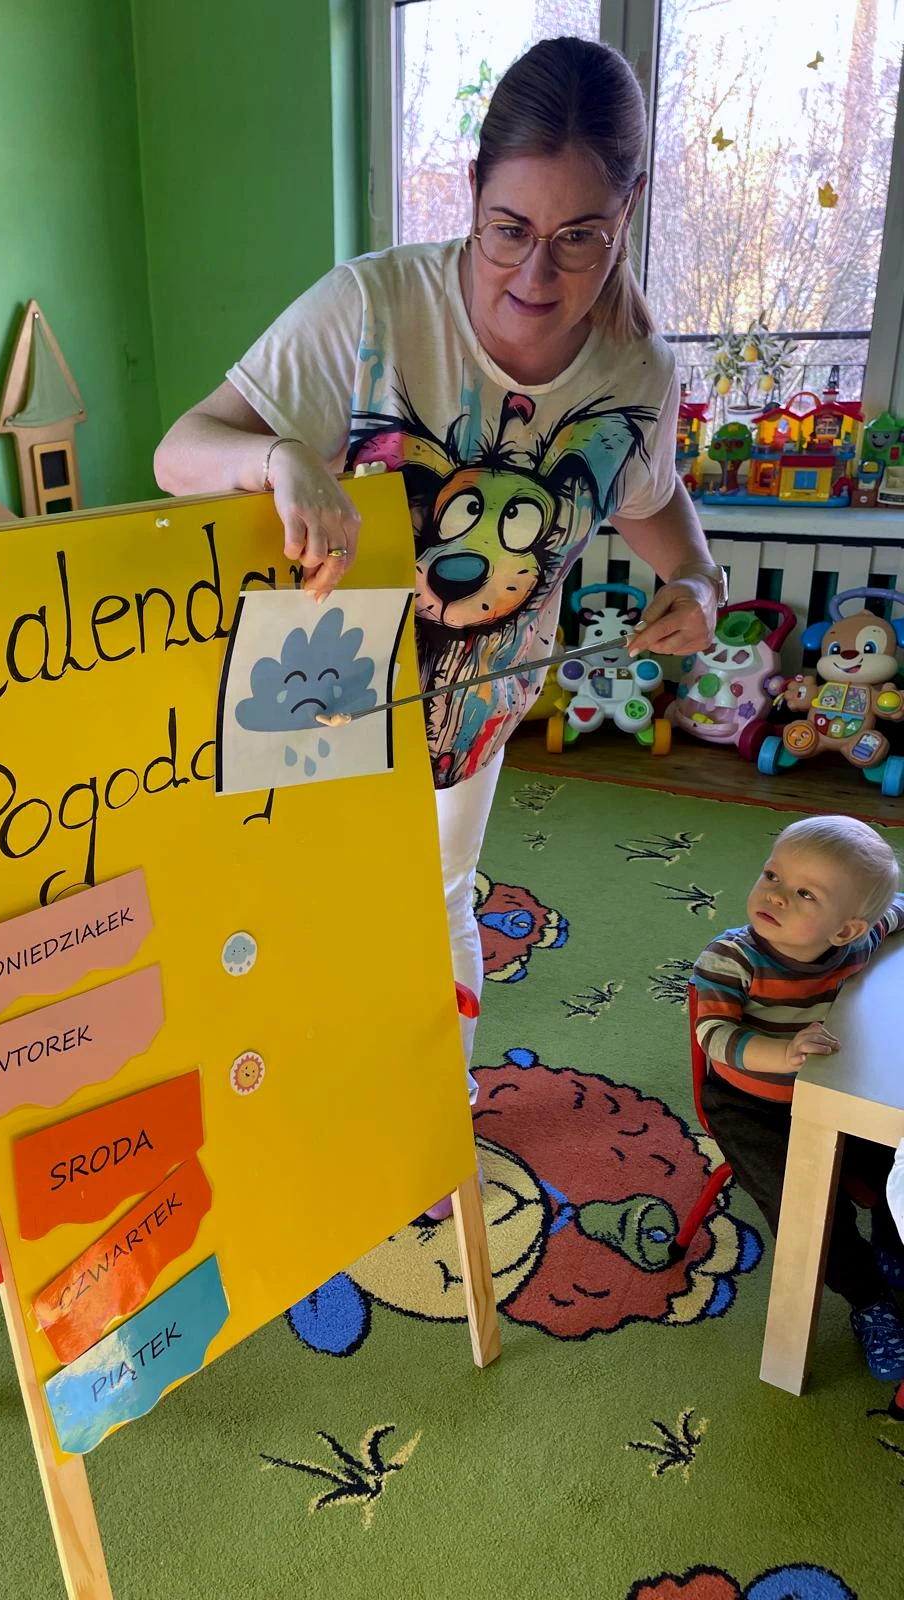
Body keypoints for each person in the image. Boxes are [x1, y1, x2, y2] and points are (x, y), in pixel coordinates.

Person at [154, 37, 722, 1214]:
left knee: (439, 899)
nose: (535, 275)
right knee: (295, 910)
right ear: (471, 192)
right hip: (313, 684)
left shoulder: (636, 371)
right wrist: (277, 455)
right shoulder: (370, 307)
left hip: (471, 705)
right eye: (509, 228)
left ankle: (423, 1121)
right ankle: (289, 1110)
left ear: (629, 211)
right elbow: (180, 450)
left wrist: (701, 582)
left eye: (579, 238)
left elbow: (653, 498)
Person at [693, 815, 904, 1380]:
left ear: (845, 930)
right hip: (749, 1104)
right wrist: (778, 1052)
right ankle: (868, 1298)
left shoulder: (858, 941)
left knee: (893, 1160)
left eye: (805, 893)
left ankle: (891, 1244)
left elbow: (893, 909)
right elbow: (714, 1034)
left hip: (834, 1091)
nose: (776, 896)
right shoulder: (732, 957)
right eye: (773, 876)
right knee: (807, 1213)